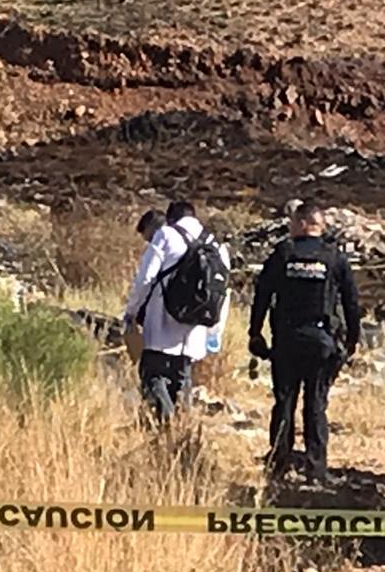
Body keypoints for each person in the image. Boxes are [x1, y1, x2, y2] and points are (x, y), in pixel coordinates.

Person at [249, 201, 361, 483]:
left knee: (284, 403)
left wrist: (255, 332)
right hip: (321, 341)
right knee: (316, 405)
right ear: (319, 226)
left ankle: (278, 464)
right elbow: (351, 302)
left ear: (300, 224)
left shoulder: (284, 253)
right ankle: (316, 469)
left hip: (286, 340)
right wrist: (352, 342)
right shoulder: (334, 257)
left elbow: (262, 294)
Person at [123, 201, 230, 424]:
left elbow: (145, 279)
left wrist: (131, 312)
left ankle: (166, 426)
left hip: (162, 322)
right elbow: (222, 292)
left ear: (171, 219)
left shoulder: (166, 235)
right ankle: (183, 429)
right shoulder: (216, 244)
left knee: (153, 376)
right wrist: (214, 334)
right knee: (182, 379)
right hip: (196, 328)